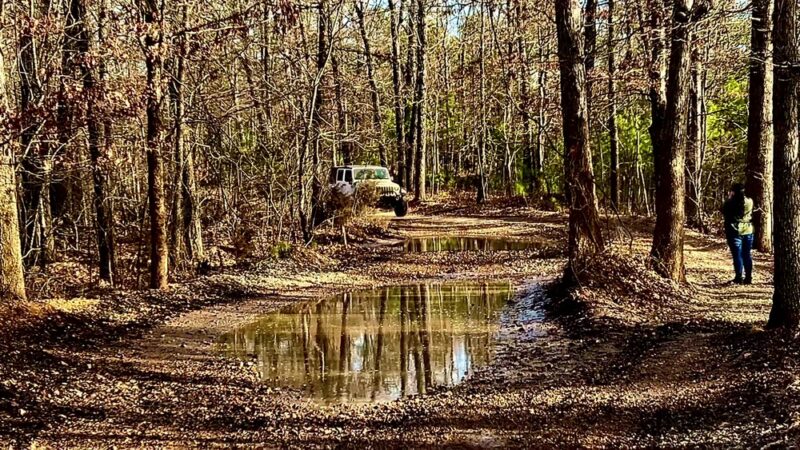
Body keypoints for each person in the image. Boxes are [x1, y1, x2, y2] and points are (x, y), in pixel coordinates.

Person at [721, 183, 754, 285]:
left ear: (733, 192)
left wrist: (729, 198)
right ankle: (748, 277)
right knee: (747, 254)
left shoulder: (730, 203)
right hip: (748, 230)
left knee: (737, 255)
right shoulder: (749, 201)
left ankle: (738, 277)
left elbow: (723, 210)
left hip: (735, 230)